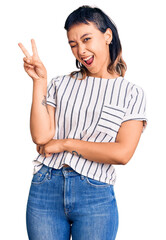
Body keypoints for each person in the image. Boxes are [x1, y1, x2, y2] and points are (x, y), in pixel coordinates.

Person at [18, 5, 147, 240]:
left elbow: (122, 153)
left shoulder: (131, 93)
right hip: (46, 187)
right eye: (73, 44)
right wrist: (40, 81)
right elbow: (41, 137)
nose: (81, 50)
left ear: (107, 36)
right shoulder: (60, 84)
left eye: (87, 39)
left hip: (94, 194)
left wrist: (65, 144)